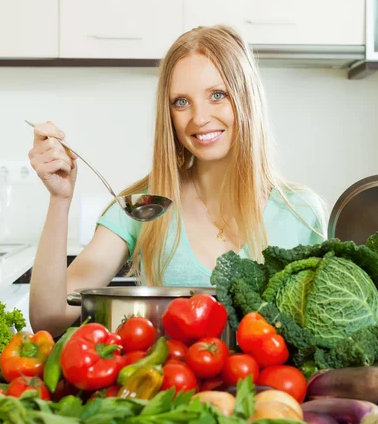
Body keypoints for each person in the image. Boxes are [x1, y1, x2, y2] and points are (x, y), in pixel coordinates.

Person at [28, 25, 328, 336]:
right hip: (170, 384)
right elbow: (50, 318)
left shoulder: (301, 212)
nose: (199, 118)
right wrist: (59, 200)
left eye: (217, 95)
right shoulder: (144, 207)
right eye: (181, 102)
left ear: (246, 98)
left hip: (273, 386)